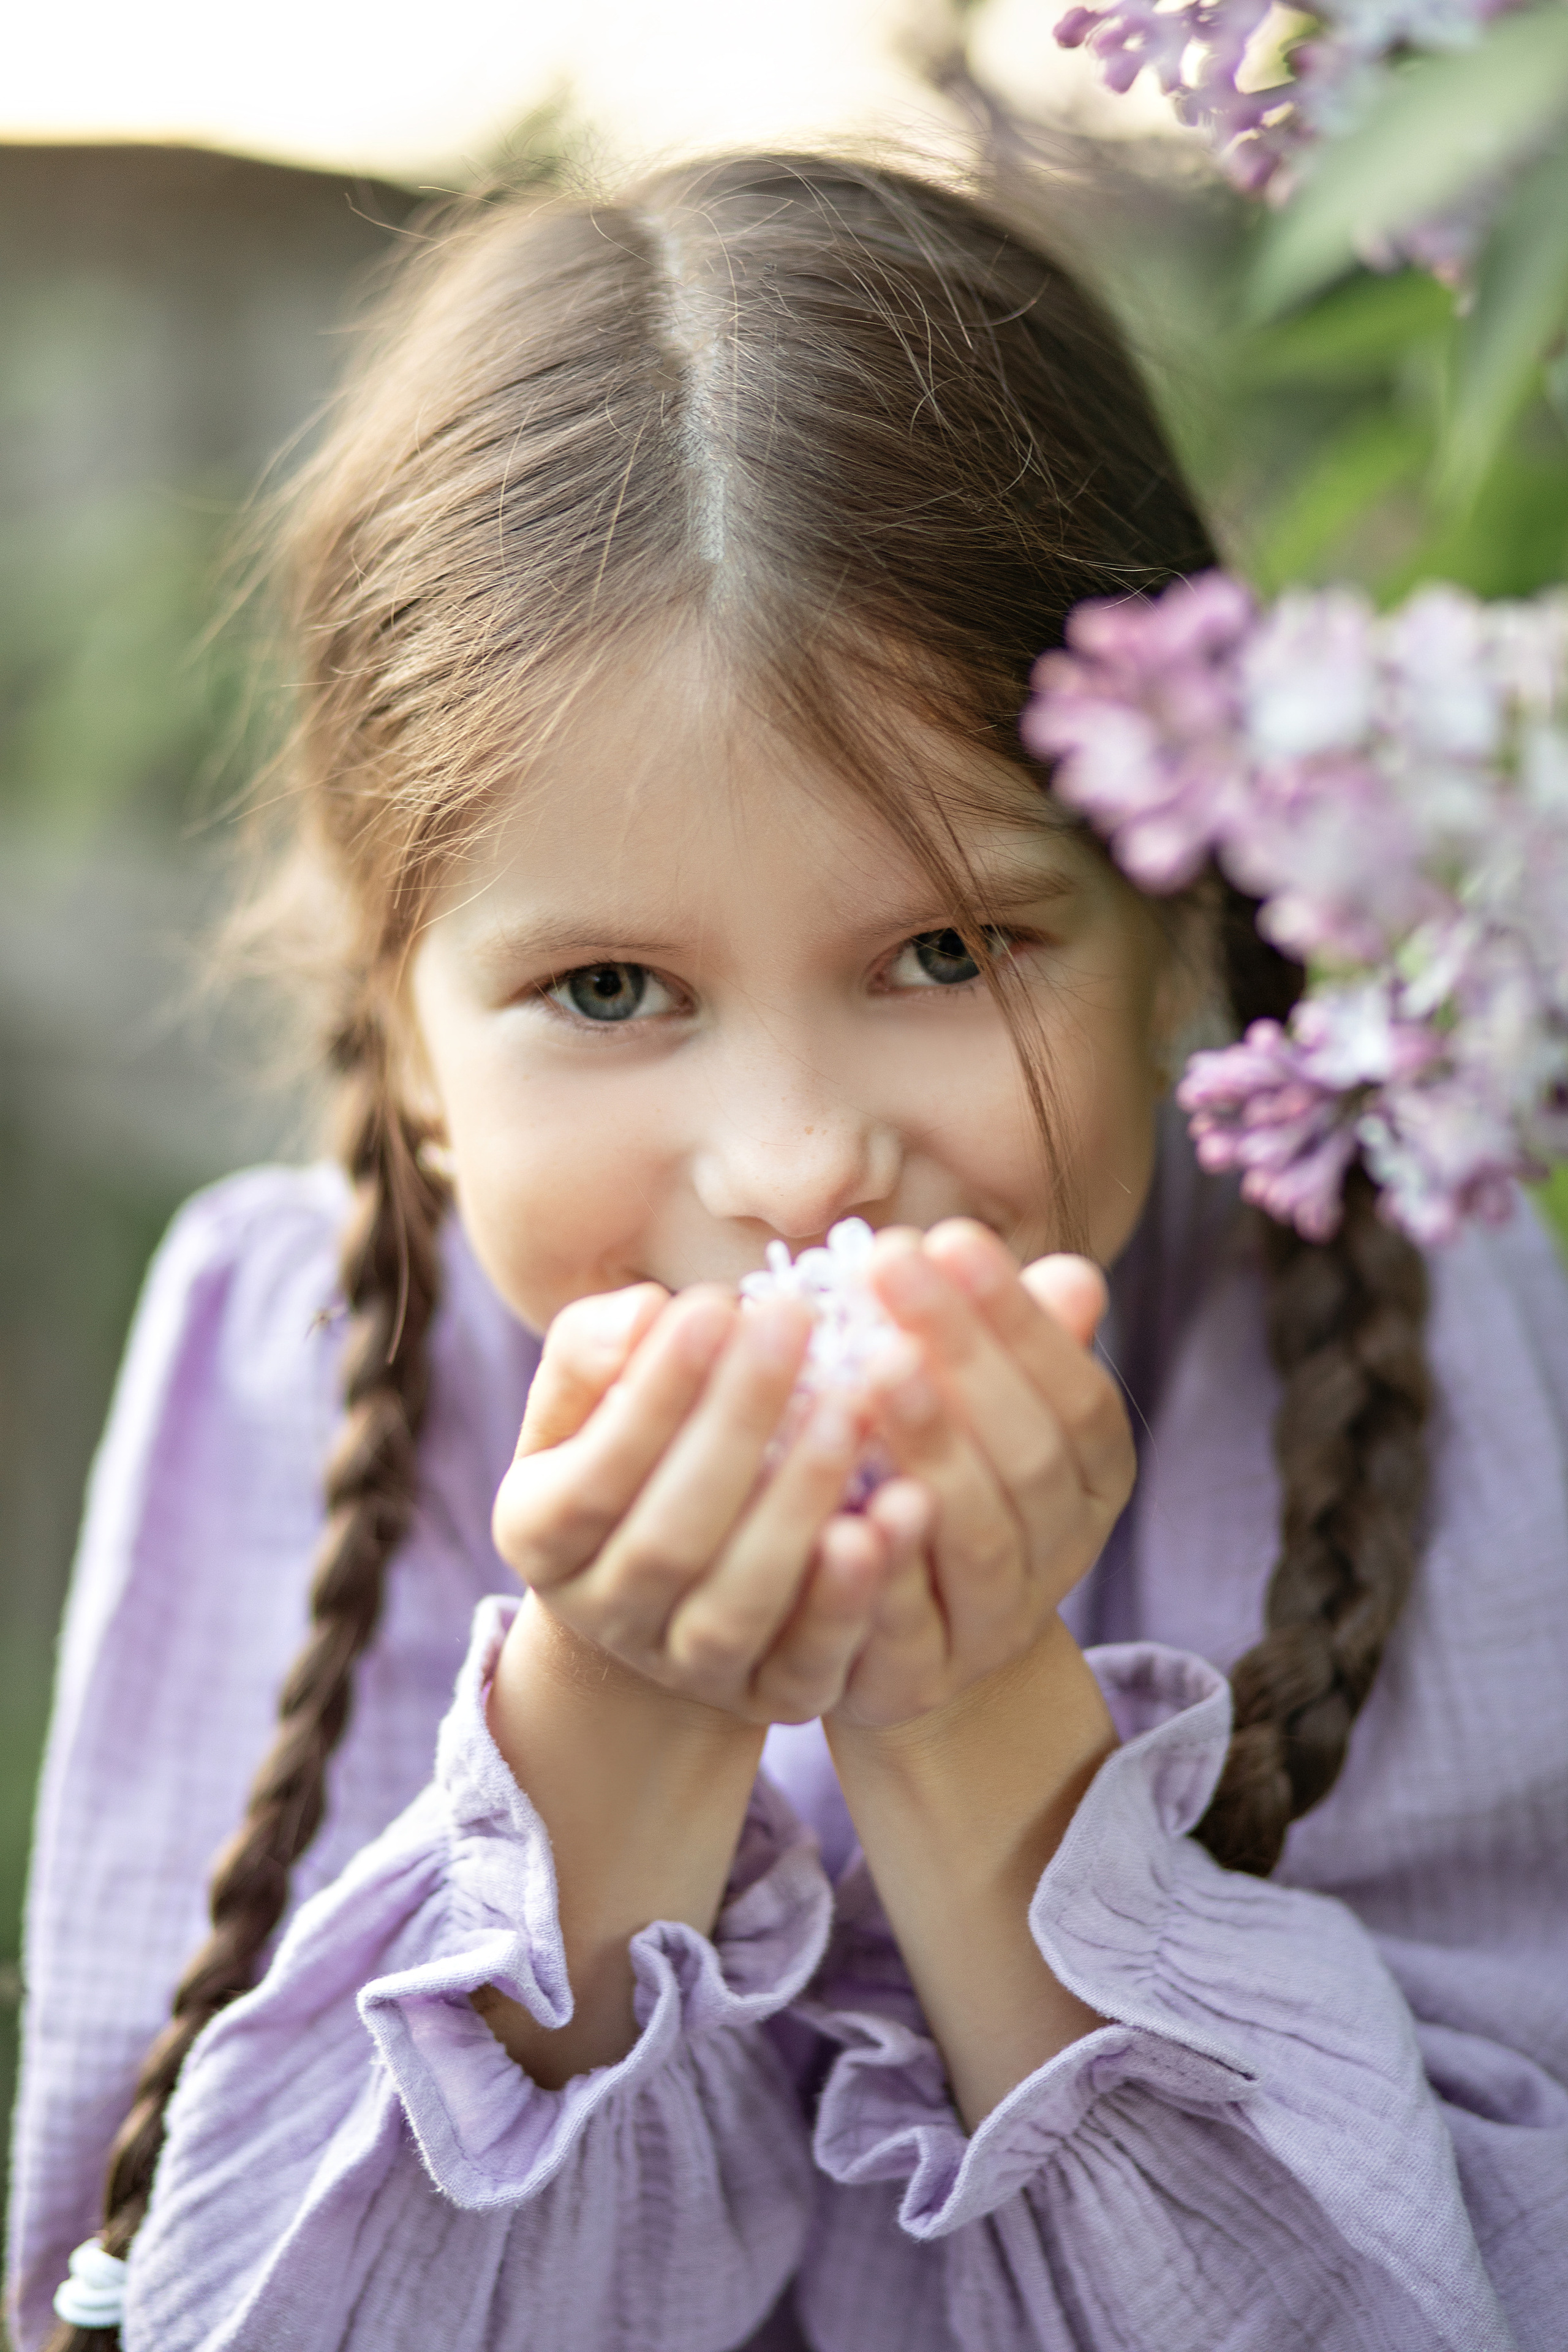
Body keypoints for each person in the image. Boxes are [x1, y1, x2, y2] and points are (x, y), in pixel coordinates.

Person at [9, 154, 1567, 2352]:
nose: (799, 1163)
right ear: (406, 1038)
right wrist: (614, 1725)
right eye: (615, 993)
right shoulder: (286, 1372)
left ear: (1173, 933)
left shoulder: (1424, 1340)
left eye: (945, 947)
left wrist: (976, 1723)